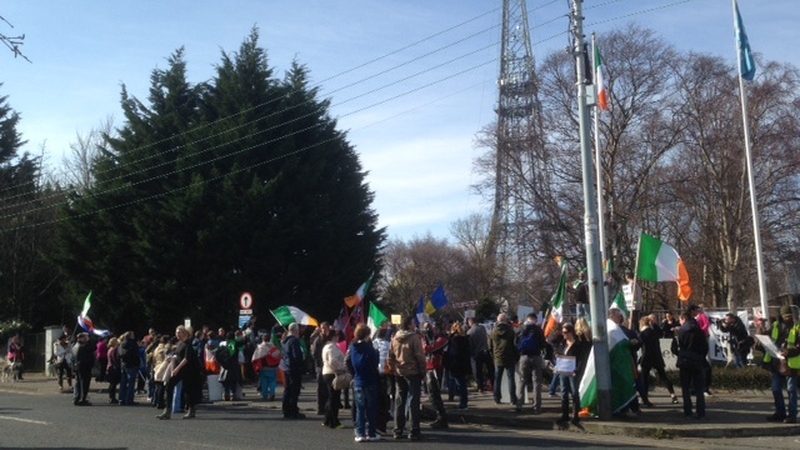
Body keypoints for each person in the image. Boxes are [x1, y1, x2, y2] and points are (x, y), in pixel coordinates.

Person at [388, 316, 426, 440]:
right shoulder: (414, 338)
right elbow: (420, 356)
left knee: (400, 401)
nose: (415, 324)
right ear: (409, 325)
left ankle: (398, 430)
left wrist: (393, 368)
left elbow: (391, 355)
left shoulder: (395, 338)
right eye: (413, 322)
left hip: (399, 372)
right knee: (413, 401)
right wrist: (423, 371)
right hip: (412, 372)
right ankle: (414, 430)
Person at [763, 305, 800, 423]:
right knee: (775, 389)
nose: (787, 318)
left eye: (789, 316)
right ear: (781, 316)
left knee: (791, 390)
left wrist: (789, 351)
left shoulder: (797, 327)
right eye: (785, 316)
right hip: (777, 362)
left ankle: (792, 415)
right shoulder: (775, 326)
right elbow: (766, 338)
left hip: (792, 364)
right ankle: (780, 413)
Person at [157, 325, 201, 420]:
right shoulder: (179, 344)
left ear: (184, 333)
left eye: (179, 332)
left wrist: (177, 369)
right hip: (179, 369)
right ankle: (167, 410)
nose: (177, 334)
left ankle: (191, 409)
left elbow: (186, 359)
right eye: (176, 333)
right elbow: (177, 356)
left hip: (189, 370)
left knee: (189, 391)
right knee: (169, 386)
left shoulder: (188, 344)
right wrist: (171, 361)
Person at [348, 323, 381, 442]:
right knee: (371, 407)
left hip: (358, 379)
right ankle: (371, 433)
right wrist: (377, 354)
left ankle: (360, 433)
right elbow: (374, 363)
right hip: (370, 379)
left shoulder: (352, 347)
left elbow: (349, 362)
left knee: (360, 408)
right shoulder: (369, 348)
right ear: (367, 334)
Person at [672, 311, 708, 420]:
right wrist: (700, 356)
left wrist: (681, 354)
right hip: (697, 361)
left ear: (684, 319)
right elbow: (705, 347)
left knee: (685, 388)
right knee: (699, 389)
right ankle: (700, 412)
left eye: (680, 320)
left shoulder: (680, 332)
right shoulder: (699, 331)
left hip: (684, 362)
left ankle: (688, 412)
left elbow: (674, 348)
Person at [555, 323, 590, 425]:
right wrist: (557, 355)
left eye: (565, 332)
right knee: (564, 392)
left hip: (572, 372)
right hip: (563, 371)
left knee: (574, 392)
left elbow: (581, 359)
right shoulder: (563, 343)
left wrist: (577, 370)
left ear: (571, 333)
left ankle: (575, 415)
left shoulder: (578, 344)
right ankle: (565, 415)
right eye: (563, 332)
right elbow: (558, 352)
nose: (564, 334)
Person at [639, 314, 678, 406]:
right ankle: (672, 394)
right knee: (663, 376)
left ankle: (644, 398)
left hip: (646, 357)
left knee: (644, 378)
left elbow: (639, 344)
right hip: (657, 356)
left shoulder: (643, 333)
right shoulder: (654, 331)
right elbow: (660, 333)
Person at [516, 313, 545, 413]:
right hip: (536, 356)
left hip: (524, 357)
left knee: (522, 380)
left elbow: (516, 343)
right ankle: (536, 406)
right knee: (536, 382)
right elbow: (543, 344)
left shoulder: (521, 329)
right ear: (535, 320)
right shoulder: (538, 330)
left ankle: (519, 404)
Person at [422, 323, 449, 429]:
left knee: (434, 394)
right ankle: (440, 416)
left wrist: (424, 340)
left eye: (432, 329)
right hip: (431, 367)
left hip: (437, 368)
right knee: (432, 394)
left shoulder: (443, 339)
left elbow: (427, 349)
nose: (430, 331)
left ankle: (442, 417)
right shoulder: (435, 338)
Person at [489, 313, 518, 406]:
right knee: (511, 379)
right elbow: (515, 345)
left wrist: (493, 355)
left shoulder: (493, 331)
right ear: (505, 320)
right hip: (509, 357)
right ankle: (513, 399)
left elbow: (490, 346)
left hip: (498, 357)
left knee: (497, 379)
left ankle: (497, 398)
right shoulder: (510, 331)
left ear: (498, 320)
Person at [280, 322, 306, 420]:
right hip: (294, 368)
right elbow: (297, 355)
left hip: (286, 367)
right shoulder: (294, 341)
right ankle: (293, 411)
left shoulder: (284, 341)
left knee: (287, 390)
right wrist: (301, 365)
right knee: (294, 390)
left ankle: (286, 410)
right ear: (296, 330)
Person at [322, 330, 346, 429]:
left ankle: (327, 419)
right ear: (333, 337)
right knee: (334, 398)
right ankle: (334, 421)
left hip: (329, 372)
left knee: (331, 397)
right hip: (332, 373)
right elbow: (333, 361)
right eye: (336, 335)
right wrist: (341, 368)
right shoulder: (331, 347)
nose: (338, 337)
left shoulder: (329, 346)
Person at [373, 325, 393, 434]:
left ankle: (375, 421)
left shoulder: (373, 344)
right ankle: (384, 416)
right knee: (385, 396)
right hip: (386, 372)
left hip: (376, 372)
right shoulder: (388, 344)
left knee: (376, 398)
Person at [689, 304, 713, 396]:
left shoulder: (702, 316)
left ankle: (702, 388)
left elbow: (706, 324)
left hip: (702, 336)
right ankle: (697, 388)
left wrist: (701, 331)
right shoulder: (694, 318)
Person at [447, 322, 471, 411]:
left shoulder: (454, 340)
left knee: (460, 384)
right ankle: (463, 402)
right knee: (462, 383)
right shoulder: (465, 339)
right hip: (464, 364)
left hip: (456, 365)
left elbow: (452, 353)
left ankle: (463, 403)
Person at [466, 317, 493, 393]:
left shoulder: (470, 332)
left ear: (471, 322)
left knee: (478, 371)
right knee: (490, 368)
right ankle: (491, 383)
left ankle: (480, 386)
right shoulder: (482, 328)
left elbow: (470, 345)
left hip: (477, 353)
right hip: (485, 351)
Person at [251, 333, 281, 400]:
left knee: (264, 382)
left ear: (262, 339)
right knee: (272, 381)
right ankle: (272, 393)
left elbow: (254, 357)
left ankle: (264, 395)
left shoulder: (260, 347)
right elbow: (278, 355)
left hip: (263, 367)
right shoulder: (273, 347)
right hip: (272, 367)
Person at [311, 321, 332, 416]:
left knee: (328, 388)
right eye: (322, 328)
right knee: (320, 388)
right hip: (320, 367)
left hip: (329, 367)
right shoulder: (318, 339)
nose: (323, 329)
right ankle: (320, 408)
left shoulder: (330, 338)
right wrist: (320, 363)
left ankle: (327, 408)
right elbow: (314, 353)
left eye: (325, 328)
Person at [118, 331, 140, 406]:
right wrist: (137, 364)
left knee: (123, 383)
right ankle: (129, 399)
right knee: (131, 383)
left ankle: (121, 399)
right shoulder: (133, 344)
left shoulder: (121, 344)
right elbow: (135, 355)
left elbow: (120, 355)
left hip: (124, 365)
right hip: (132, 365)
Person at [72, 332, 95, 406]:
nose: (86, 338)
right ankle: (82, 399)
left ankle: (77, 398)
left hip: (79, 366)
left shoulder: (76, 345)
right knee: (84, 383)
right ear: (81, 338)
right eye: (85, 337)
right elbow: (93, 348)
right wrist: (89, 340)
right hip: (84, 367)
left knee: (78, 383)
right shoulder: (82, 346)